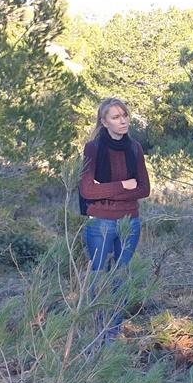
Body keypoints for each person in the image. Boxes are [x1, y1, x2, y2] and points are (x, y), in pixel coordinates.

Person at [78, 97, 151, 345]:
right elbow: (88, 190)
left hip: (130, 222)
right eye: (116, 117)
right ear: (104, 121)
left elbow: (143, 189)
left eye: (125, 115)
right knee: (99, 278)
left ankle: (114, 332)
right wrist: (123, 185)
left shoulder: (135, 148)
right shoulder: (93, 148)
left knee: (121, 277)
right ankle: (98, 332)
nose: (122, 121)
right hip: (101, 223)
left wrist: (106, 190)